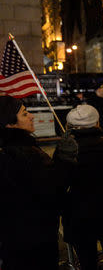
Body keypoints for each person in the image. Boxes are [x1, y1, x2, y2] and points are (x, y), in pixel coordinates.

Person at [0, 96, 77, 270]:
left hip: (14, 240)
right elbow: (52, 189)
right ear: (9, 123)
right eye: (25, 114)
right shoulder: (23, 153)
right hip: (35, 240)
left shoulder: (13, 149)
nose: (32, 116)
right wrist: (64, 159)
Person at [57, 104, 103, 270]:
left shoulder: (66, 148)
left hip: (78, 215)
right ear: (96, 123)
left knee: (87, 260)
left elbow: (60, 183)